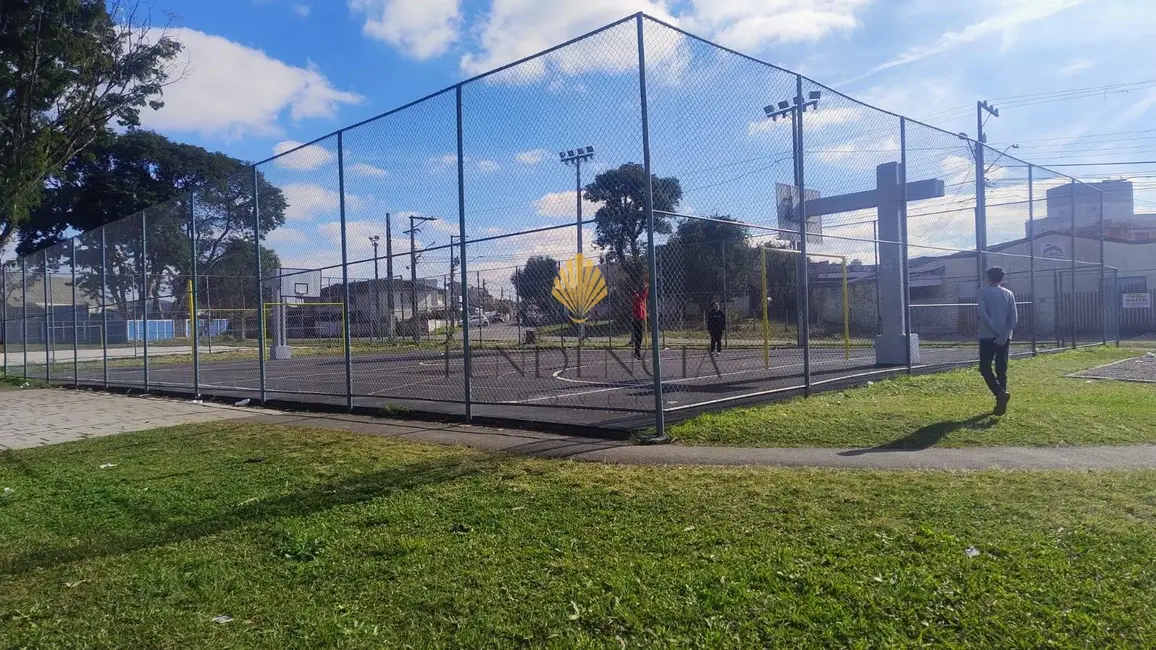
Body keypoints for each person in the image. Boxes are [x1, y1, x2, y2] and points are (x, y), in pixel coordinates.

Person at [977, 266, 1018, 415]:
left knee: (985, 367)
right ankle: (1001, 401)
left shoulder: (982, 292)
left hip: (987, 336)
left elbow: (984, 314)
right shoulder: (1008, 294)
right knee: (1002, 368)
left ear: (988, 278)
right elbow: (1014, 318)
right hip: (1005, 337)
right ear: (1001, 279)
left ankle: (999, 393)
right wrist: (1004, 334)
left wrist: (995, 332)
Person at [630, 277, 649, 360]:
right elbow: (642, 298)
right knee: (639, 336)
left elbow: (643, 297)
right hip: (636, 319)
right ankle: (637, 352)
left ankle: (637, 352)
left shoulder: (639, 297)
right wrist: (646, 289)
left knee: (639, 337)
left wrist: (645, 289)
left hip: (640, 318)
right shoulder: (636, 298)